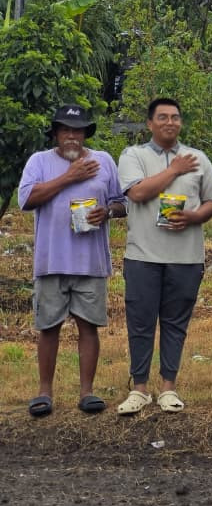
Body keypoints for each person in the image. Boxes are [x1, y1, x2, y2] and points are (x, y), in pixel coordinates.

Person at [116, 97, 212, 414]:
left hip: (186, 257)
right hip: (142, 256)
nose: (170, 122)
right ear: (150, 123)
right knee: (141, 322)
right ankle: (139, 389)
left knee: (176, 323)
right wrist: (174, 169)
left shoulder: (198, 158)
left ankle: (168, 388)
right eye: (162, 117)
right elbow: (137, 193)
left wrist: (194, 216)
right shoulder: (133, 155)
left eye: (175, 117)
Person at [18, 105, 125, 416]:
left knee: (88, 327)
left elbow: (121, 203)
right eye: (65, 130)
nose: (72, 136)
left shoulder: (104, 160)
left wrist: (107, 212)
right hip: (51, 260)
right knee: (48, 327)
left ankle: (87, 392)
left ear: (85, 134)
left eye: (78, 130)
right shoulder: (39, 161)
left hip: (91, 262)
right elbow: (27, 199)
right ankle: (44, 392)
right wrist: (69, 177)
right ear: (55, 134)